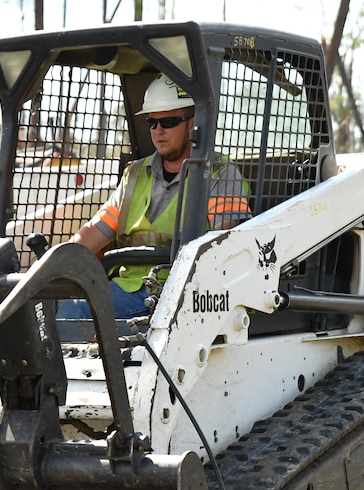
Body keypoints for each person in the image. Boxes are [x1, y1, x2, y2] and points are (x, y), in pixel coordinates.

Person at [57, 73, 251, 319]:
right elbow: (92, 235)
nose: (158, 131)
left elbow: (223, 246)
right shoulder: (135, 175)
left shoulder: (219, 174)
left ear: (193, 123)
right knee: (48, 303)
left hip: (178, 293)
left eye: (169, 122)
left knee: (75, 313)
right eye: (152, 122)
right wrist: (52, 270)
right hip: (125, 286)